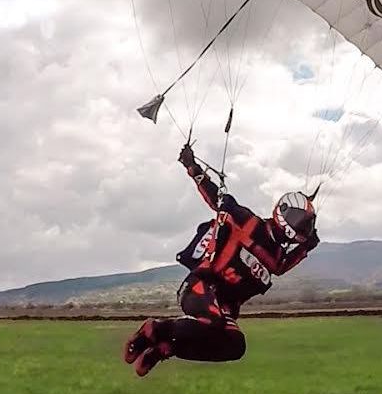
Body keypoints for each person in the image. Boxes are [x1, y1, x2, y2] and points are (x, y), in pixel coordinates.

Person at [124, 143, 321, 376]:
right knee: (214, 323)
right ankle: (155, 329)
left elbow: (281, 266)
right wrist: (191, 165)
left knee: (235, 346)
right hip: (199, 288)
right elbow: (217, 198)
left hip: (223, 306)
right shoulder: (247, 221)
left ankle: (165, 348)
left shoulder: (277, 257)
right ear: (283, 212)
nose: (303, 228)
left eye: (307, 224)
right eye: (301, 221)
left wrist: (306, 247)